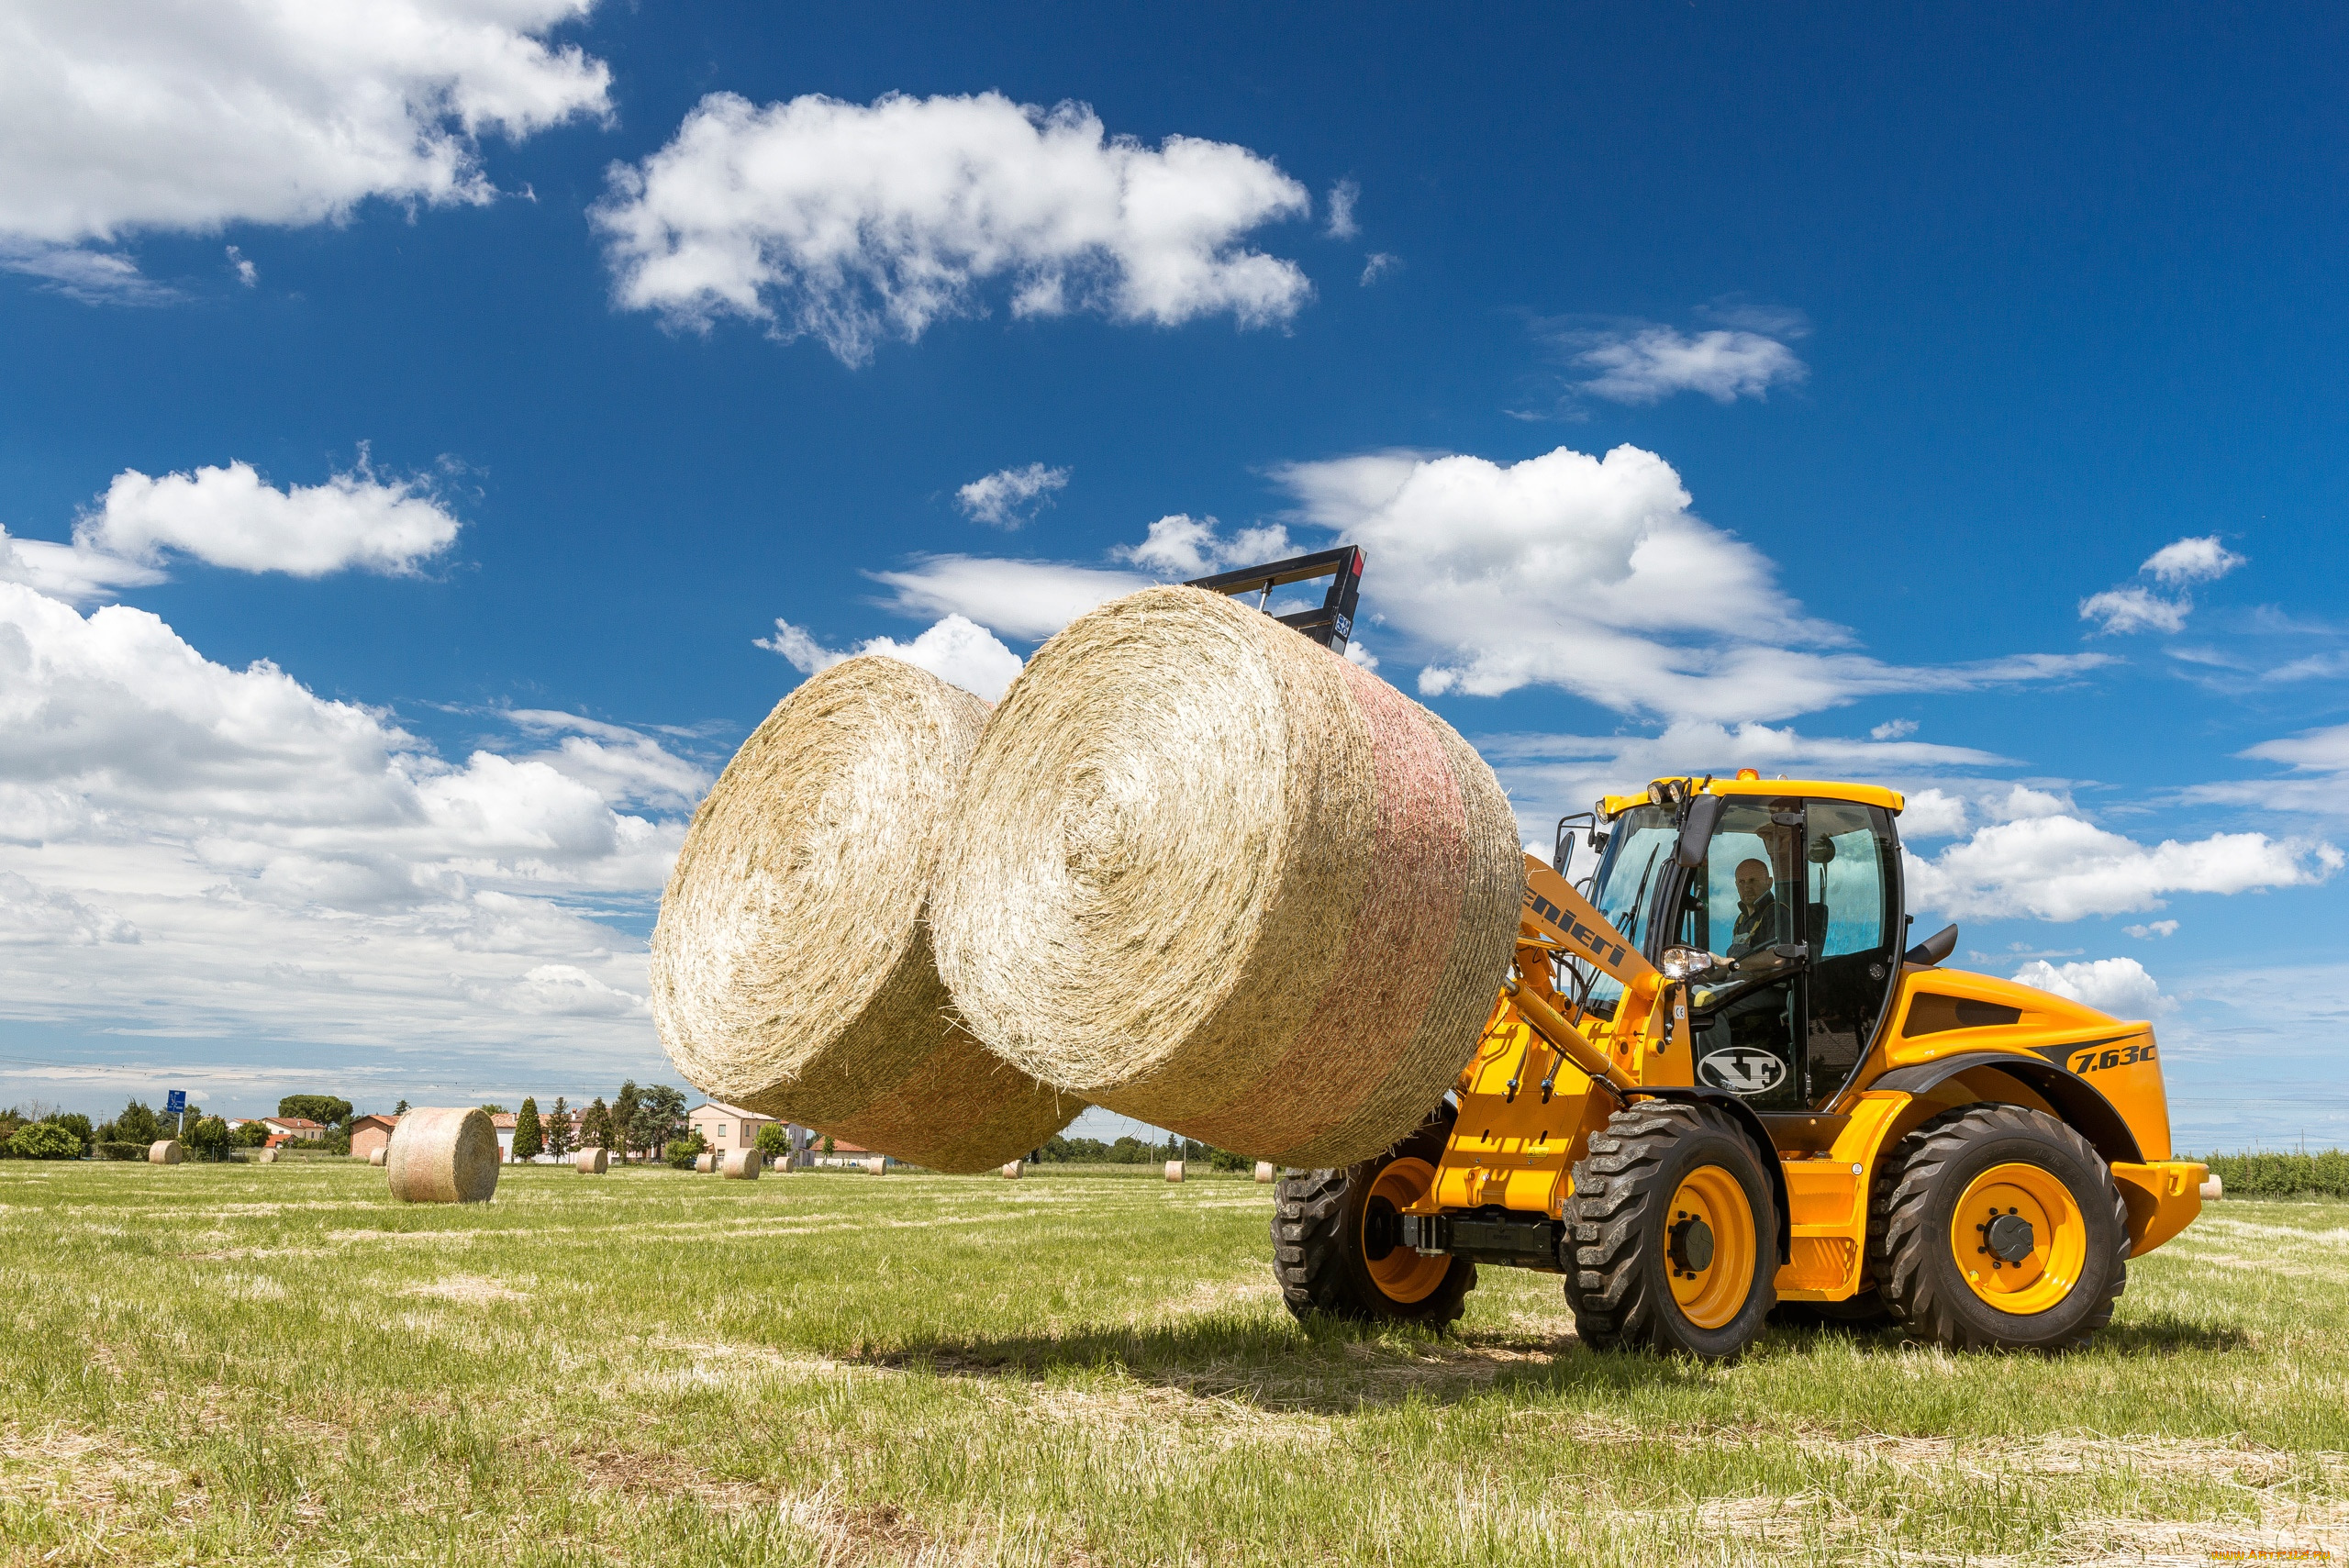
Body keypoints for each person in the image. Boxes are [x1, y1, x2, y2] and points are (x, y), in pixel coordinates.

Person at [1726, 858, 1793, 967]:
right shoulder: (1741, 919)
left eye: (1752, 880)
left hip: (1766, 983)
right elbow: (1729, 967)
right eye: (1741, 882)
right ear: (1736, 885)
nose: (1747, 887)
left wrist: (1726, 962)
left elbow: (1777, 958)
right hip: (1739, 982)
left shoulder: (1776, 912)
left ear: (1769, 883)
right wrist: (1707, 977)